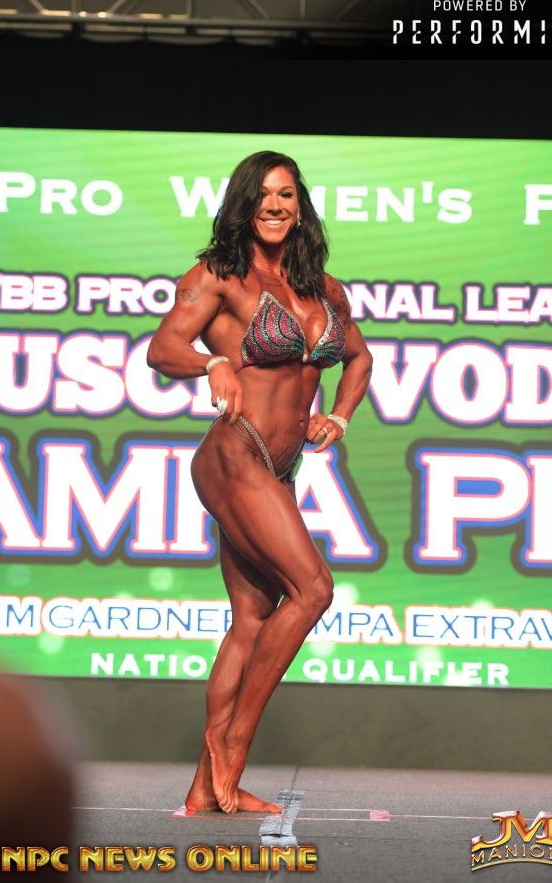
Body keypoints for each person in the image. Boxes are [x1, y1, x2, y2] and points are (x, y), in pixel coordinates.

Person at [147, 151, 372, 814]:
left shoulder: (323, 289)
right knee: (313, 589)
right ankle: (232, 743)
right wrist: (212, 363)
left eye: (286, 194)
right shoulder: (218, 276)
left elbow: (358, 357)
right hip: (233, 454)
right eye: (263, 195)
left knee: (250, 620)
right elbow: (162, 348)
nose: (275, 205)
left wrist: (338, 414)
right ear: (244, 206)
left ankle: (205, 791)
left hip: (279, 466)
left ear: (299, 206)